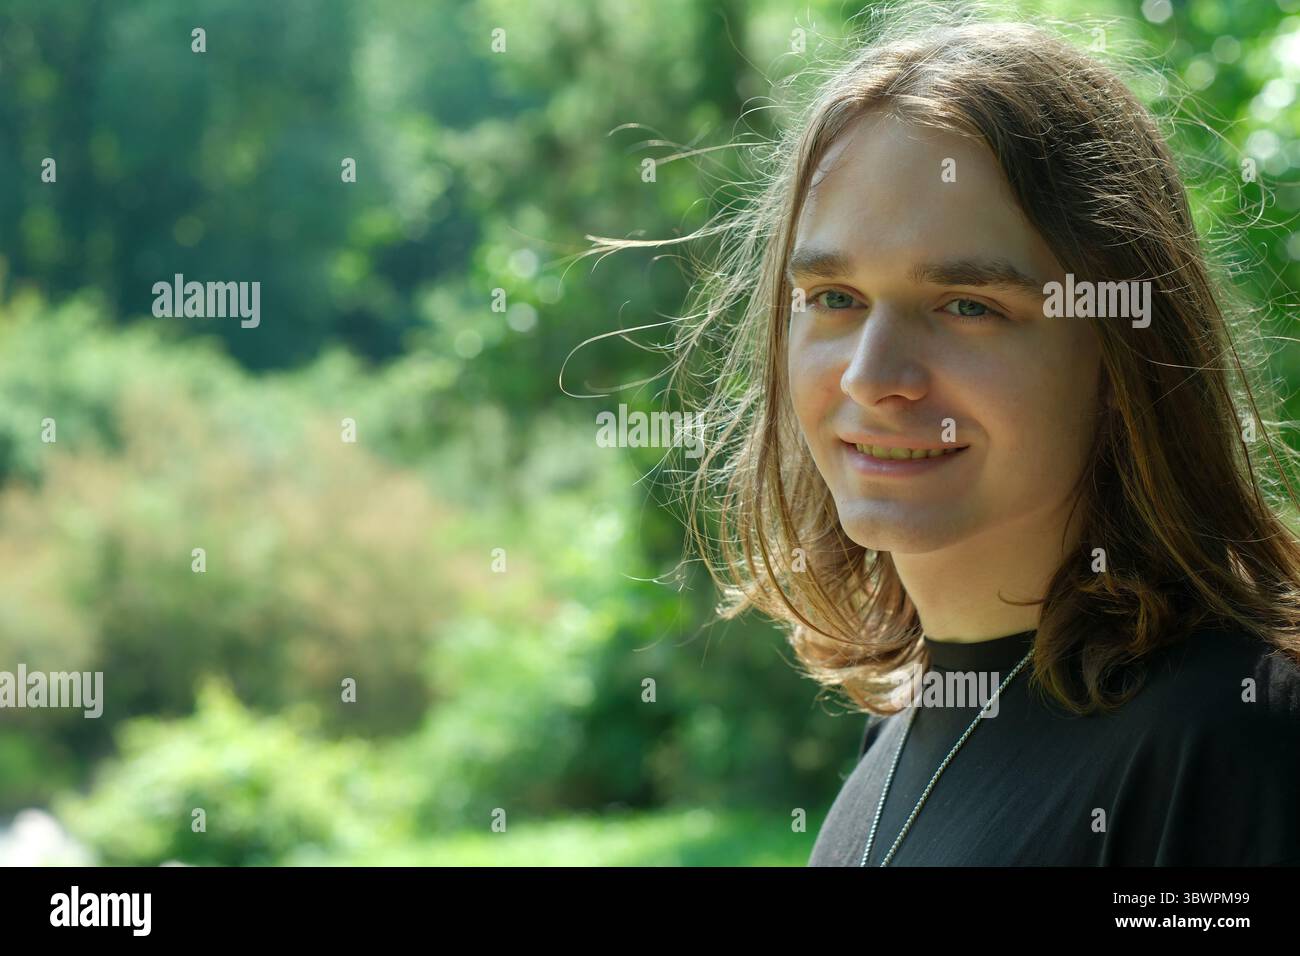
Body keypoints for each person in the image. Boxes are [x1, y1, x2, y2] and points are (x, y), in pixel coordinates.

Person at [590, 8, 1300, 865]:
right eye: (834, 299)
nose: (871, 374)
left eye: (969, 307)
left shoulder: (1233, 738)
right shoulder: (901, 730)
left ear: (1125, 350)